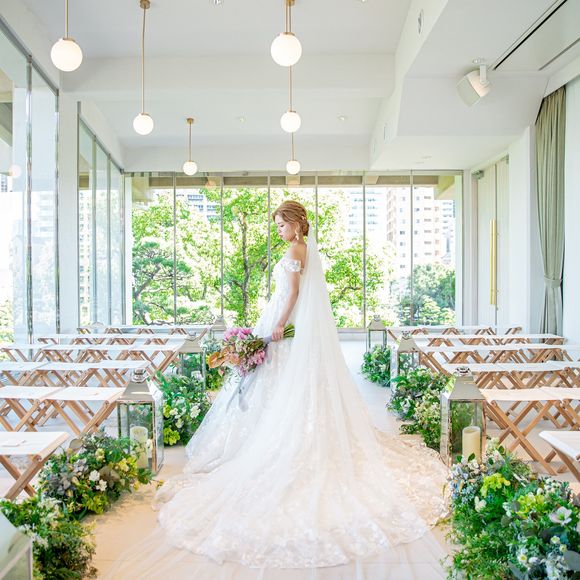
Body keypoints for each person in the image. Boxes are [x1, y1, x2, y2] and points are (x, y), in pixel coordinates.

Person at [109, 200, 448, 578]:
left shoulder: (295, 250)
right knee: (288, 387)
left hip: (284, 324)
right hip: (291, 326)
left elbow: (292, 293)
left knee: (278, 385)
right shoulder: (305, 250)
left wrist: (278, 325)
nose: (279, 231)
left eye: (281, 225)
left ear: (295, 223)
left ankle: (278, 437)